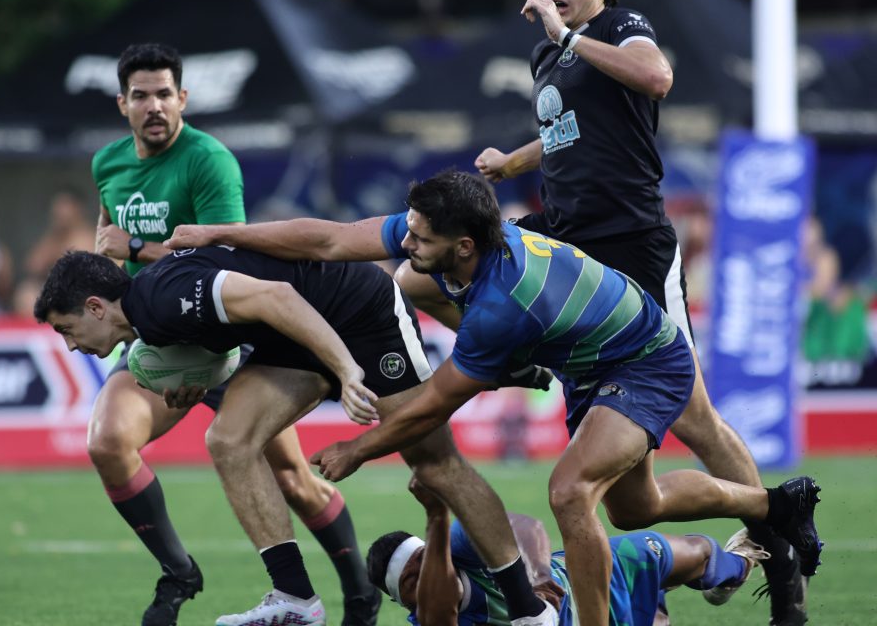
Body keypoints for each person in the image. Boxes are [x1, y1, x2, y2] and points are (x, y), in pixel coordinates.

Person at [164, 169, 823, 626]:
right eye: (411, 229)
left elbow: (429, 407)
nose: (408, 240)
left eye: (420, 237)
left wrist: (357, 448)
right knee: (635, 508)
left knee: (570, 492)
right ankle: (775, 505)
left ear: (464, 246)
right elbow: (332, 239)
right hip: (590, 363)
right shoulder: (449, 240)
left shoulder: (504, 303)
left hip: (645, 361)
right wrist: (224, 234)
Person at [470, 0, 808, 626]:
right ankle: (522, 363)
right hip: (574, 252)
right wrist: (514, 162)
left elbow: (657, 77)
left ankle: (774, 543)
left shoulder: (622, 27)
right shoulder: (550, 59)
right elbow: (570, 134)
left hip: (632, 250)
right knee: (632, 504)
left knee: (694, 412)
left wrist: (567, 36)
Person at [35, 248, 558, 626]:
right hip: (295, 338)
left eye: (67, 329)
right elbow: (230, 341)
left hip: (360, 313)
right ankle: (295, 597)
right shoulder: (153, 330)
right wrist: (200, 382)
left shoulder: (159, 298)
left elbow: (275, 295)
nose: (72, 345)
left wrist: (348, 371)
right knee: (229, 440)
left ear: (97, 307)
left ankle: (528, 612)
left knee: (435, 466)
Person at [82, 43, 379, 626]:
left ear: (183, 98)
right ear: (122, 104)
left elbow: (231, 257)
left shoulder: (209, 159)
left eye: (165, 93)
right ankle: (179, 572)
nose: (154, 106)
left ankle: (359, 594)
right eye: (141, 95)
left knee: (290, 476)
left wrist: (137, 248)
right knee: (106, 441)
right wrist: (106, 275)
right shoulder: (107, 164)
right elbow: (106, 240)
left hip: (225, 337)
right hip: (157, 337)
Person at [369, 476, 771, 626]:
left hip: (591, 575)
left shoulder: (460, 546)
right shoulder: (432, 617)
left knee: (698, 553)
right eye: (410, 581)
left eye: (423, 561)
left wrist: (541, 576)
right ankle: (654, 610)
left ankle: (739, 565)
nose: (424, 575)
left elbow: (523, 526)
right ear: (404, 603)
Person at [13, 189, 96, 317]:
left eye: (65, 206)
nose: (60, 212)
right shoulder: (53, 237)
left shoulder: (87, 236)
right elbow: (33, 266)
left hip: (83, 294)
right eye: (57, 207)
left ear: (78, 209)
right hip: (56, 292)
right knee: (26, 292)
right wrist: (55, 241)